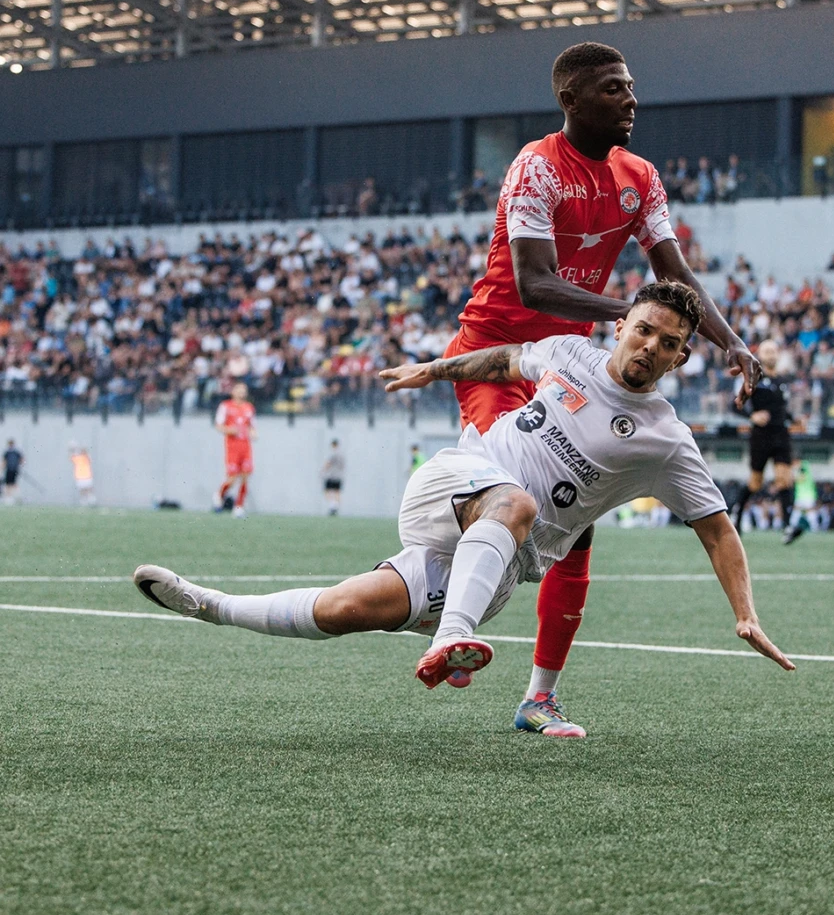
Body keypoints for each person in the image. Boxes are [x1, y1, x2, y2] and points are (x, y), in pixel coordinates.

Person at [134, 283, 795, 737]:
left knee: (344, 610)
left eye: (668, 341)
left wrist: (745, 613)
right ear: (621, 327)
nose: (650, 345)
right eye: (644, 329)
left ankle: (207, 603)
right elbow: (507, 358)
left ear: (681, 356)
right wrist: (433, 368)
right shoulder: (569, 352)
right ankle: (453, 639)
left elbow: (717, 529)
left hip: (502, 560)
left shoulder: (666, 440)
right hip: (457, 483)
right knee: (515, 500)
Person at [442, 42, 760, 734]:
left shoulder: (639, 176)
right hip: (499, 354)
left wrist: (730, 343)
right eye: (615, 89)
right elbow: (533, 282)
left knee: (575, 531)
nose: (631, 101)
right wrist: (627, 313)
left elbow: (674, 275)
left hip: (572, 365)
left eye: (632, 88)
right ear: (572, 99)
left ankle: (538, 697)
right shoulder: (536, 166)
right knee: (501, 499)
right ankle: (451, 618)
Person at [732, 340, 793, 534]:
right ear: (760, 355)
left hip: (781, 434)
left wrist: (794, 419)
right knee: (755, 483)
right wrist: (752, 416)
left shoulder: (783, 381)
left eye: (774, 351)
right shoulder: (754, 378)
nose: (772, 355)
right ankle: (737, 514)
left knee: (784, 479)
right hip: (761, 436)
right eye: (767, 351)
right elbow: (734, 405)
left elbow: (781, 409)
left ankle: (787, 526)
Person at [214, 381, 256, 518]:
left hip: (245, 447)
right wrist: (229, 430)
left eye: (244, 390)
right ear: (233, 391)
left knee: (245, 477)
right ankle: (219, 494)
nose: (242, 392)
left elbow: (252, 426)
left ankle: (239, 506)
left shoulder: (249, 408)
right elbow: (218, 425)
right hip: (232, 447)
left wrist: (254, 433)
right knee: (232, 479)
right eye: (239, 389)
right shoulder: (225, 406)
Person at [782, 461, 820, 545]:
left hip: (807, 495)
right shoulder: (801, 469)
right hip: (801, 496)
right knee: (797, 512)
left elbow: (800, 478)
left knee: (810, 512)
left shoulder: (804, 467)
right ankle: (791, 528)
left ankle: (815, 528)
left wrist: (791, 476)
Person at [321, 439, 346, 517]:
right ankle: (336, 507)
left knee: (327, 491)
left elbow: (328, 463)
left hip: (332, 475)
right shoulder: (342, 455)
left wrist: (322, 471)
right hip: (339, 476)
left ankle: (332, 506)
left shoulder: (333, 454)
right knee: (337, 492)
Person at [2, 439, 21, 505]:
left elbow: (4, 462)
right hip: (13, 470)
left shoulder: (12, 452)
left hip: (11, 470)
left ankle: (11, 498)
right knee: (10, 484)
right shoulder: (14, 452)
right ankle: (12, 497)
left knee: (10, 484)